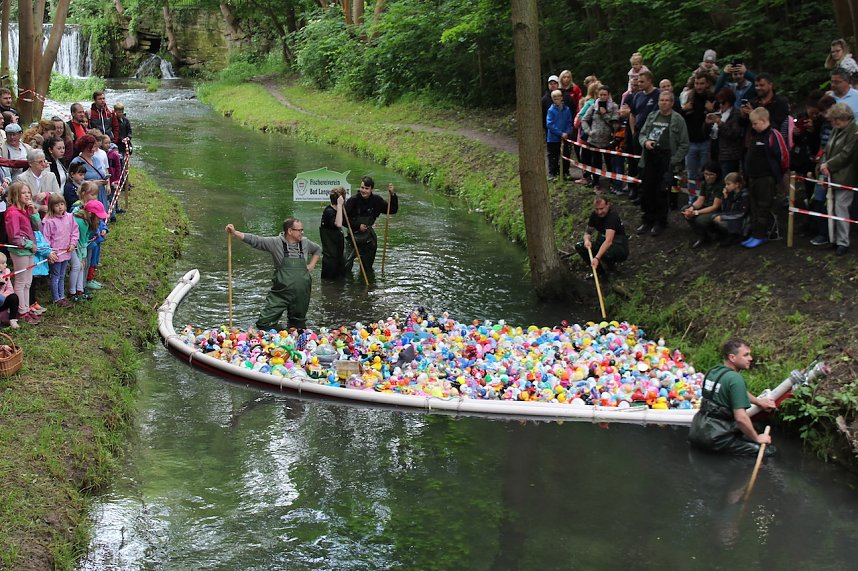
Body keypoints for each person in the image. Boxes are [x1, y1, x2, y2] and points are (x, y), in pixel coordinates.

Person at [225, 218, 320, 331]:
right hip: (281, 293)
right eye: (299, 230)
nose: (302, 232)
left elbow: (317, 249)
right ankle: (280, 332)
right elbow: (256, 240)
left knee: (298, 325)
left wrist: (312, 265)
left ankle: (292, 339)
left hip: (301, 293)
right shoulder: (275, 242)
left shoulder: (305, 243)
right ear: (290, 231)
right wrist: (235, 233)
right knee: (263, 323)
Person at [689, 338, 776, 455]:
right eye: (746, 355)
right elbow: (741, 418)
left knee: (756, 428)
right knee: (768, 452)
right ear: (732, 358)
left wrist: (759, 402)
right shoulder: (736, 379)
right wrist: (757, 438)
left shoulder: (714, 371)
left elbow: (736, 392)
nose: (750, 358)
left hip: (697, 430)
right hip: (715, 438)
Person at [636, 90, 689, 237]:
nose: (664, 103)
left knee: (661, 191)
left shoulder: (678, 119)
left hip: (666, 158)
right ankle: (647, 219)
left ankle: (660, 222)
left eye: (667, 100)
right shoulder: (652, 116)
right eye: (662, 100)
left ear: (672, 103)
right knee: (646, 190)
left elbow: (684, 144)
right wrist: (646, 142)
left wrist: (674, 160)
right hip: (649, 157)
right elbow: (642, 134)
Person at [741, 107, 789, 248]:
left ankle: (762, 235)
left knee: (763, 207)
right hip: (753, 177)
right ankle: (755, 233)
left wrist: (780, 174)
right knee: (754, 207)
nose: (754, 126)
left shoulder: (773, 134)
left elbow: (783, 156)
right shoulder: (756, 135)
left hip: (766, 177)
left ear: (763, 120)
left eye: (755, 124)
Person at [819, 102, 858, 256]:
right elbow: (827, 150)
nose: (833, 123)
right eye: (833, 120)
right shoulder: (836, 130)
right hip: (831, 175)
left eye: (836, 120)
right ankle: (833, 239)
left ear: (846, 118)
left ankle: (843, 242)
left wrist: (828, 164)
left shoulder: (854, 133)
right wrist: (823, 164)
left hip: (846, 177)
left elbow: (846, 155)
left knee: (841, 209)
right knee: (831, 208)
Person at [343, 176, 398, 276]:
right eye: (362, 188)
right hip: (352, 237)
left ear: (371, 189)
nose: (363, 191)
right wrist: (357, 226)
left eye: (366, 188)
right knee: (345, 267)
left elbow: (392, 210)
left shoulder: (377, 201)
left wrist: (393, 195)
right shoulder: (353, 201)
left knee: (367, 269)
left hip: (368, 238)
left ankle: (365, 289)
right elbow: (343, 220)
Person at [3, 182, 41, 325]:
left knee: (28, 282)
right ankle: (21, 310)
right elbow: (14, 236)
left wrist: (34, 213)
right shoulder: (12, 212)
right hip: (20, 251)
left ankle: (25, 307)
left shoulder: (26, 210)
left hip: (29, 250)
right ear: (15, 195)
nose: (27, 195)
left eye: (28, 193)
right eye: (23, 193)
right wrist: (30, 245)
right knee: (20, 281)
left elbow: (38, 227)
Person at [574, 194, 628, 278]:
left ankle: (611, 269)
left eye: (602, 209)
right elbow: (588, 232)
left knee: (607, 252)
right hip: (602, 242)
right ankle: (599, 272)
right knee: (580, 246)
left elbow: (608, 241)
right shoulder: (594, 215)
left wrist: (597, 258)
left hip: (618, 246)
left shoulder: (612, 217)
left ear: (607, 205)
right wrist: (587, 240)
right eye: (597, 209)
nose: (599, 212)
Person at [681, 72, 717, 196]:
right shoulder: (689, 97)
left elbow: (718, 118)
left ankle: (705, 197)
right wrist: (684, 110)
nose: (699, 86)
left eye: (702, 83)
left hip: (705, 141)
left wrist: (711, 110)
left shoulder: (711, 98)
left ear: (706, 84)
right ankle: (692, 199)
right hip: (691, 141)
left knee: (705, 173)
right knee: (691, 173)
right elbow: (681, 119)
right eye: (697, 83)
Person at [41, 193, 78, 308]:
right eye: (57, 205)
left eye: (62, 204)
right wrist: (49, 252)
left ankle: (61, 297)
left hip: (66, 252)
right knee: (56, 275)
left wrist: (73, 243)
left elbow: (74, 231)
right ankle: (56, 298)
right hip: (56, 254)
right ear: (52, 207)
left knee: (62, 275)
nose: (60, 207)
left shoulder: (70, 217)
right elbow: (45, 238)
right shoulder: (48, 221)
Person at [581, 85, 620, 190]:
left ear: (608, 95)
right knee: (595, 162)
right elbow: (583, 119)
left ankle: (612, 182)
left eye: (605, 95)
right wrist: (588, 131)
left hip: (608, 141)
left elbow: (615, 125)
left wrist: (604, 114)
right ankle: (596, 182)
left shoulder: (614, 107)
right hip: (594, 140)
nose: (603, 97)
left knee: (609, 163)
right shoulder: (594, 106)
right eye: (601, 95)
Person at [681, 162, 723, 248]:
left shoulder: (721, 185)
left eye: (711, 174)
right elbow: (700, 199)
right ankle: (703, 236)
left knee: (700, 219)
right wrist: (692, 208)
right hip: (706, 207)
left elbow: (715, 206)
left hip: (717, 211)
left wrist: (696, 212)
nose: (708, 177)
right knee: (685, 209)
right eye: (706, 174)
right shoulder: (704, 183)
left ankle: (716, 233)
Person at [706, 88, 744, 176]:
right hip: (714, 154)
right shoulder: (717, 113)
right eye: (718, 102)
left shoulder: (736, 114)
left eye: (723, 103)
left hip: (729, 157)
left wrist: (720, 123)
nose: (720, 105)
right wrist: (707, 124)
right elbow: (706, 133)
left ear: (729, 102)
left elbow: (734, 134)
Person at [16, 149, 61, 217]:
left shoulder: (51, 176)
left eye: (44, 161)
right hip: (31, 215)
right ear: (30, 163)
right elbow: (22, 200)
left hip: (51, 215)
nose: (43, 164)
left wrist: (47, 194)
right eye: (40, 162)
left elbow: (59, 195)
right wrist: (40, 207)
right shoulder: (21, 178)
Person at [713, 172, 750, 245]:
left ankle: (735, 236)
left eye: (728, 184)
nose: (726, 186)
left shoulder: (745, 195)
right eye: (725, 184)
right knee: (714, 216)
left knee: (721, 220)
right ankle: (727, 235)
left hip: (742, 220)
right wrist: (725, 198)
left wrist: (723, 217)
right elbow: (726, 210)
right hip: (734, 217)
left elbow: (742, 213)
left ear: (737, 184)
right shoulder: (732, 193)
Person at [546, 90, 573, 181]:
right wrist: (560, 133)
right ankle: (553, 173)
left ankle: (565, 172)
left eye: (558, 98)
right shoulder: (551, 110)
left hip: (565, 137)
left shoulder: (567, 109)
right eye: (555, 99)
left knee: (566, 155)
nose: (557, 100)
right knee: (553, 156)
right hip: (553, 138)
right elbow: (550, 124)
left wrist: (566, 132)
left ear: (561, 98)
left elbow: (569, 122)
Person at [320, 187, 346, 279]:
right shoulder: (329, 212)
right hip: (330, 261)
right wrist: (339, 205)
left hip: (338, 258)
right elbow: (338, 224)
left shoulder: (338, 212)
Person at [0, 253, 20, 327]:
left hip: (2, 300)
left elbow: (10, 289)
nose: (6, 265)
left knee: (14, 297)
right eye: (3, 263)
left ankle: (12, 320)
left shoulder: (6, 273)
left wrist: (3, 296)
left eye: (5, 262)